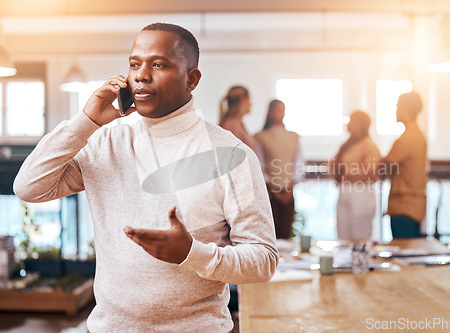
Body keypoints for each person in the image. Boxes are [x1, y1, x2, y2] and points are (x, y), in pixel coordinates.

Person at [14, 23, 278, 332]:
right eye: (134, 64)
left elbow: (264, 260)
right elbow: (29, 187)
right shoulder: (105, 142)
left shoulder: (232, 154)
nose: (141, 75)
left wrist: (194, 254)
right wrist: (84, 123)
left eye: (159, 64)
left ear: (191, 79)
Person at [380, 91, 427, 238]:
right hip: (413, 207)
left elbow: (382, 168)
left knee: (404, 255)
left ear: (405, 110)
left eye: (397, 107)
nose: (395, 112)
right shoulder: (418, 135)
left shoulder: (407, 139)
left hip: (403, 207)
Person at [255, 99, 304, 239]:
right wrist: (272, 187)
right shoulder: (260, 137)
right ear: (270, 112)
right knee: (271, 234)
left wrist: (291, 187)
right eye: (278, 110)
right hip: (269, 193)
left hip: (289, 191)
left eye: (283, 110)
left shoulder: (293, 137)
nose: (281, 114)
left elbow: (299, 163)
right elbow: (259, 164)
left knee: (286, 232)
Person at [328, 111, 380, 240]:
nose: (348, 123)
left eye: (352, 120)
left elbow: (371, 173)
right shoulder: (346, 145)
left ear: (361, 124)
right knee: (343, 234)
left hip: (360, 193)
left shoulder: (369, 145)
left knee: (360, 234)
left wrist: (347, 171)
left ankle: (361, 260)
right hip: (345, 191)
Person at [219, 85, 258, 153]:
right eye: (249, 99)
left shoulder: (237, 124)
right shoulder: (232, 126)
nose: (251, 104)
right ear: (242, 100)